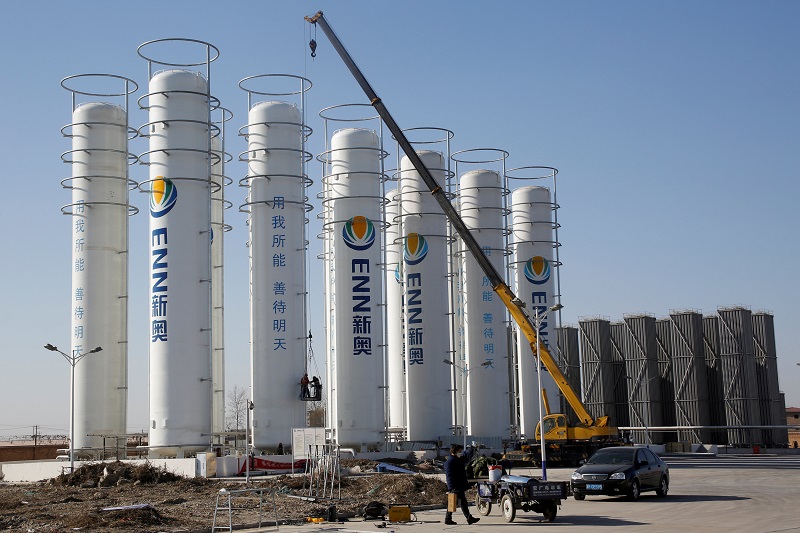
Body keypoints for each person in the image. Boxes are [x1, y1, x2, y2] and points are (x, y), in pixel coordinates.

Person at [443, 444, 479, 526]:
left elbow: (466, 456)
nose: (461, 452)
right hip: (455, 485)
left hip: (457, 485)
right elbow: (450, 476)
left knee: (454, 502)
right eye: (460, 451)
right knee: (462, 502)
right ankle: (469, 518)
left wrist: (472, 448)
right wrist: (452, 487)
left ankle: (448, 519)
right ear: (455, 451)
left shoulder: (455, 459)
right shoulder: (451, 461)